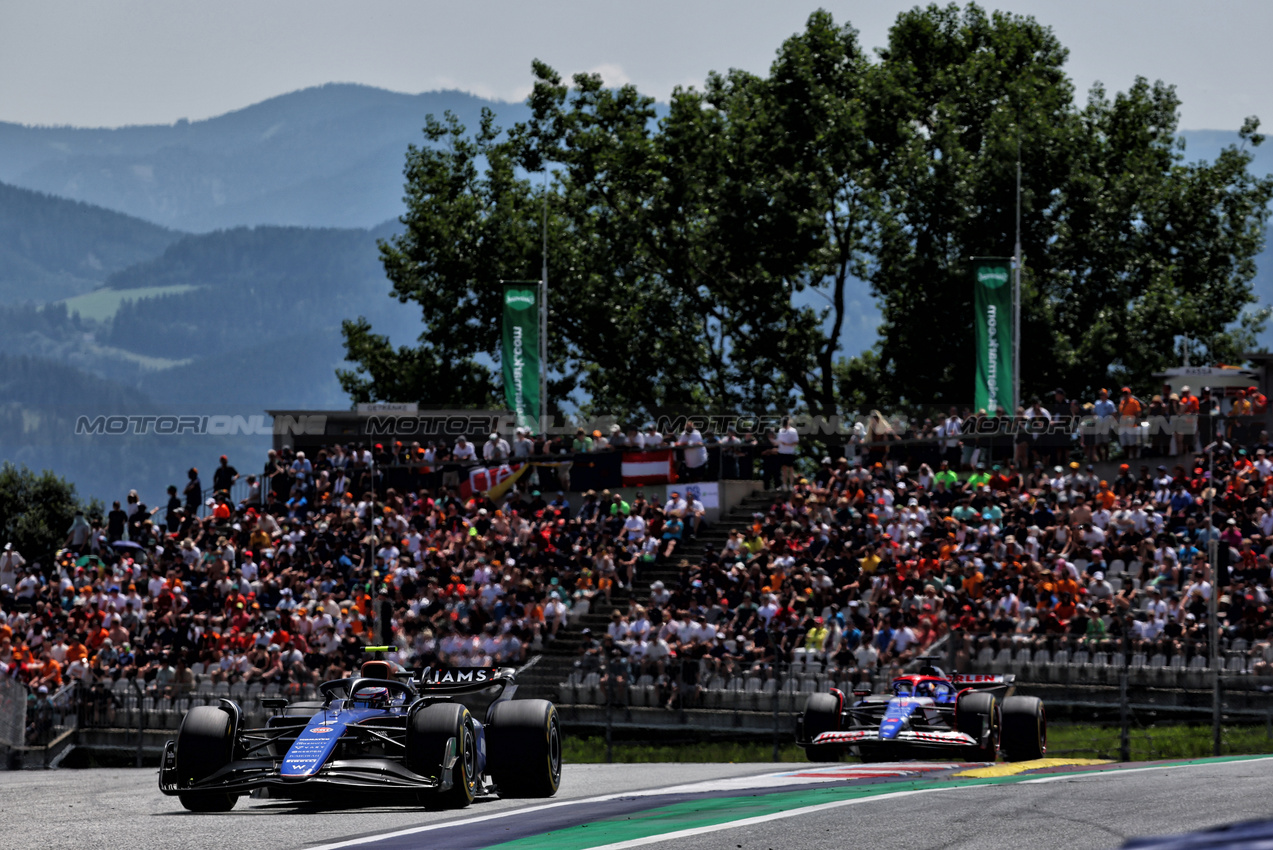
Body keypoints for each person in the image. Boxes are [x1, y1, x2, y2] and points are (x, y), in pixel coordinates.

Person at [775, 416, 799, 491]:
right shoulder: (780, 430)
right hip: (781, 452)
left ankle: (791, 485)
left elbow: (795, 442)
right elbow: (778, 441)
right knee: (783, 469)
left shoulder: (793, 431)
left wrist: (787, 444)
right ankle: (784, 484)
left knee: (791, 469)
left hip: (789, 452)